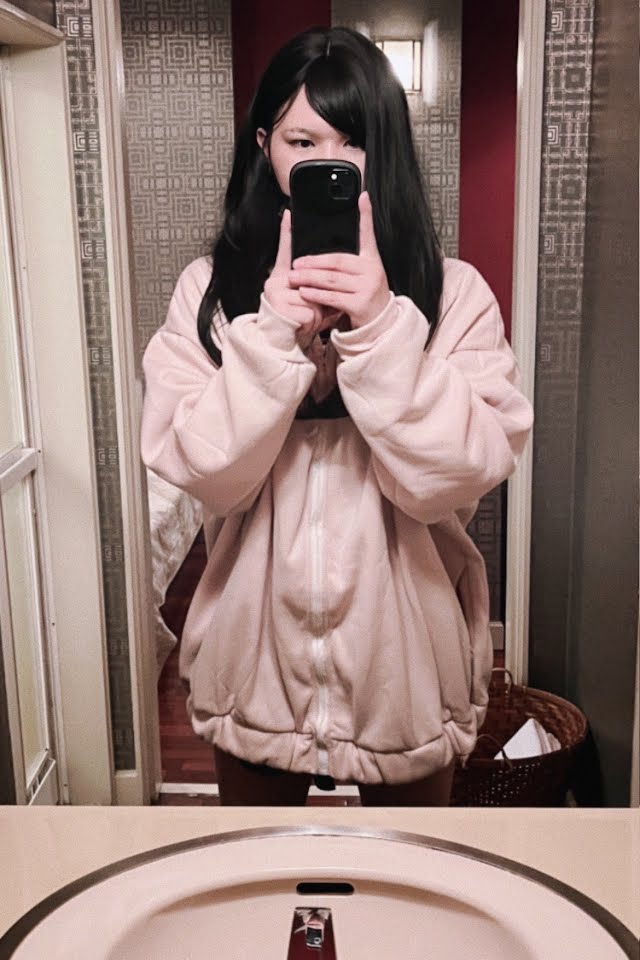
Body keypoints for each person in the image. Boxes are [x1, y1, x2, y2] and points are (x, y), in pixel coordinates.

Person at [140, 26, 533, 806]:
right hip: (252, 675)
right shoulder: (209, 295)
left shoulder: (452, 292)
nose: (332, 162)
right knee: (260, 871)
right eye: (302, 141)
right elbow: (203, 475)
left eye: (355, 141)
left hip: (408, 681)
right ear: (265, 148)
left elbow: (460, 477)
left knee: (412, 875)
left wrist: (383, 329)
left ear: (386, 152)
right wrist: (270, 339)